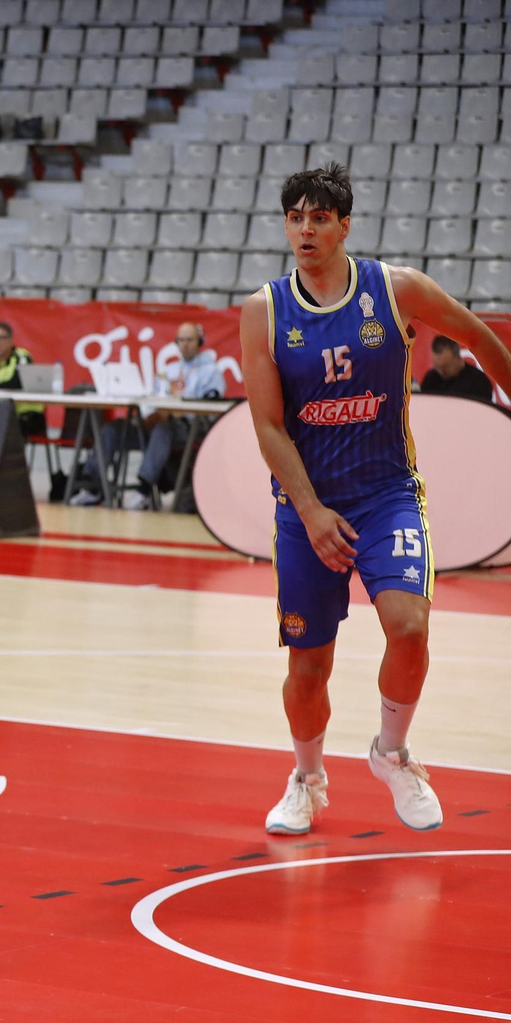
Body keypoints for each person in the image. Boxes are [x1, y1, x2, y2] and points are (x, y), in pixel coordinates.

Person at [238, 163, 511, 835]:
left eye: (319, 217)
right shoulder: (264, 310)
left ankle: (392, 753)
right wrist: (309, 510)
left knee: (411, 629)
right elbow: (269, 426)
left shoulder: (395, 289)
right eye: (295, 217)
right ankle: (306, 778)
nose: (306, 228)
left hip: (387, 493)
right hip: (307, 507)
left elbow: (477, 337)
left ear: (344, 225)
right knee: (310, 665)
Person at [69, 323, 224, 509]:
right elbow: (155, 398)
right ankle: (92, 485)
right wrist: (150, 414)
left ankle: (143, 489)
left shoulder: (211, 371)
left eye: (189, 340)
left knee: (162, 429)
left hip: (188, 430)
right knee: (113, 429)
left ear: (200, 341)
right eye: (181, 340)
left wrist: (176, 414)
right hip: (158, 422)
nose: (185, 344)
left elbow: (212, 405)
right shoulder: (169, 370)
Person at [419, 334, 495, 403]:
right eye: (438, 368)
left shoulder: (478, 381)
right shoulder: (431, 379)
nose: (442, 372)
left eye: (446, 367)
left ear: (458, 358)